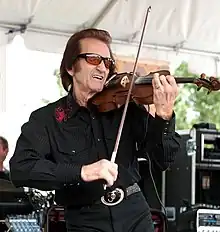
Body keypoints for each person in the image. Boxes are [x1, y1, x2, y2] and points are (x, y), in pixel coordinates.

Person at [9, 28, 182, 232]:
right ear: (71, 67)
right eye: (93, 59)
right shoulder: (47, 119)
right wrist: (82, 172)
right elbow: (21, 168)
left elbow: (163, 160)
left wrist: (164, 117)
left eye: (107, 63)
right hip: (85, 219)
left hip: (134, 214)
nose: (102, 68)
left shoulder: (125, 106)